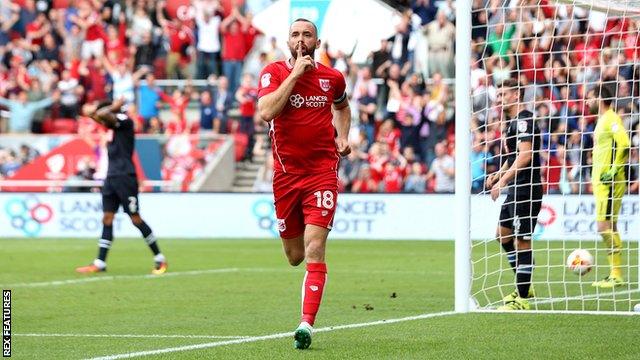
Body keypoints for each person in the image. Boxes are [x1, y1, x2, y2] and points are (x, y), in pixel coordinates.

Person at [257, 18, 351, 349]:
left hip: (322, 172)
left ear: (317, 42)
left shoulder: (332, 78)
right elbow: (266, 111)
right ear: (287, 42)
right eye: (295, 34)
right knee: (295, 255)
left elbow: (342, 106)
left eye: (306, 35)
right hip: (286, 176)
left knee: (314, 247)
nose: (301, 40)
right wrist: (296, 74)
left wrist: (343, 136)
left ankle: (306, 326)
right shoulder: (273, 73)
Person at [75, 99, 167, 275]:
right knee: (107, 218)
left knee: (135, 219)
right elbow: (96, 115)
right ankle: (100, 262)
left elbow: (101, 114)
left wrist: (111, 108)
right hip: (111, 177)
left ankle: (159, 258)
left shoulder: (125, 121)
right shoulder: (110, 126)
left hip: (125, 177)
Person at [485, 78, 542, 311]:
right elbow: (513, 158)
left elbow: (526, 155)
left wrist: (504, 181)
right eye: (498, 95)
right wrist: (498, 175)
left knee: (521, 241)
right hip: (516, 188)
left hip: (526, 189)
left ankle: (522, 298)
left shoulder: (524, 120)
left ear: (516, 95)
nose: (499, 99)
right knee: (502, 235)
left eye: (503, 94)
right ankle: (524, 283)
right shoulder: (511, 124)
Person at [590, 83, 631, 288]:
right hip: (601, 183)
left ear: (599, 98)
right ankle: (615, 274)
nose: (587, 101)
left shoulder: (611, 118)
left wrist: (614, 170)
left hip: (610, 183)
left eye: (589, 97)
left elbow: (624, 143)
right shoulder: (602, 121)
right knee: (610, 226)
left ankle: (616, 274)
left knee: (603, 226)